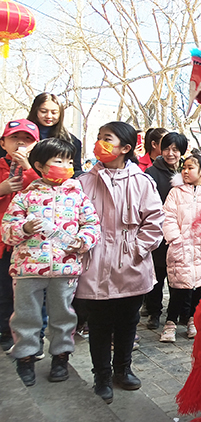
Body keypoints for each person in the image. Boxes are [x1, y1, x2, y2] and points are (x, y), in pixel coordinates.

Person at [75, 121, 164, 403]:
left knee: (129, 321)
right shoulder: (83, 182)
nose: (100, 143)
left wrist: (138, 249)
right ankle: (101, 376)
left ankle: (122, 371)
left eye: (107, 139)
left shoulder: (142, 182)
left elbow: (154, 222)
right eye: (99, 138)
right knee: (99, 324)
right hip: (95, 263)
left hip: (131, 264)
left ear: (125, 148)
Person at [2, 138, 99, 386]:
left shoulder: (78, 196)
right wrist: (23, 228)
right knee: (26, 316)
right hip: (28, 269)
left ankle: (60, 356)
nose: (66, 166)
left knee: (63, 315)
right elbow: (6, 230)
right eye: (59, 160)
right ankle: (25, 357)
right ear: (40, 165)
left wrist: (82, 241)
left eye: (69, 160)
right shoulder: (25, 196)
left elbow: (92, 225)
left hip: (65, 268)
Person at [160, 150, 201, 342]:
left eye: (190, 168)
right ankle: (170, 323)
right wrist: (175, 238)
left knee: (199, 288)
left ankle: (193, 319)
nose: (185, 171)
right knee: (179, 288)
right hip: (181, 247)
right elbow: (167, 217)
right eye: (183, 168)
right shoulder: (175, 193)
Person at [0, 120, 41, 353]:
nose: (20, 144)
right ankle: (5, 330)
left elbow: (46, 194)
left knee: (27, 294)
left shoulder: (37, 170)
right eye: (15, 138)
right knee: (4, 290)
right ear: (3, 142)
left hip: (29, 244)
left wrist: (28, 169)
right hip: (2, 242)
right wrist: (2, 189)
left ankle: (29, 335)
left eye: (27, 139)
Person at [143, 132, 188, 330]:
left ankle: (178, 313)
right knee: (157, 273)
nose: (171, 153)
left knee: (178, 274)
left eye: (175, 150)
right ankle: (154, 312)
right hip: (159, 231)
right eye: (167, 149)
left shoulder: (187, 171)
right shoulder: (152, 173)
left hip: (181, 231)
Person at [26, 93, 83, 176]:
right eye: (43, 111)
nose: (49, 116)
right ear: (35, 111)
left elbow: (76, 170)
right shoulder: (19, 135)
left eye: (54, 112)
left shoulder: (71, 141)